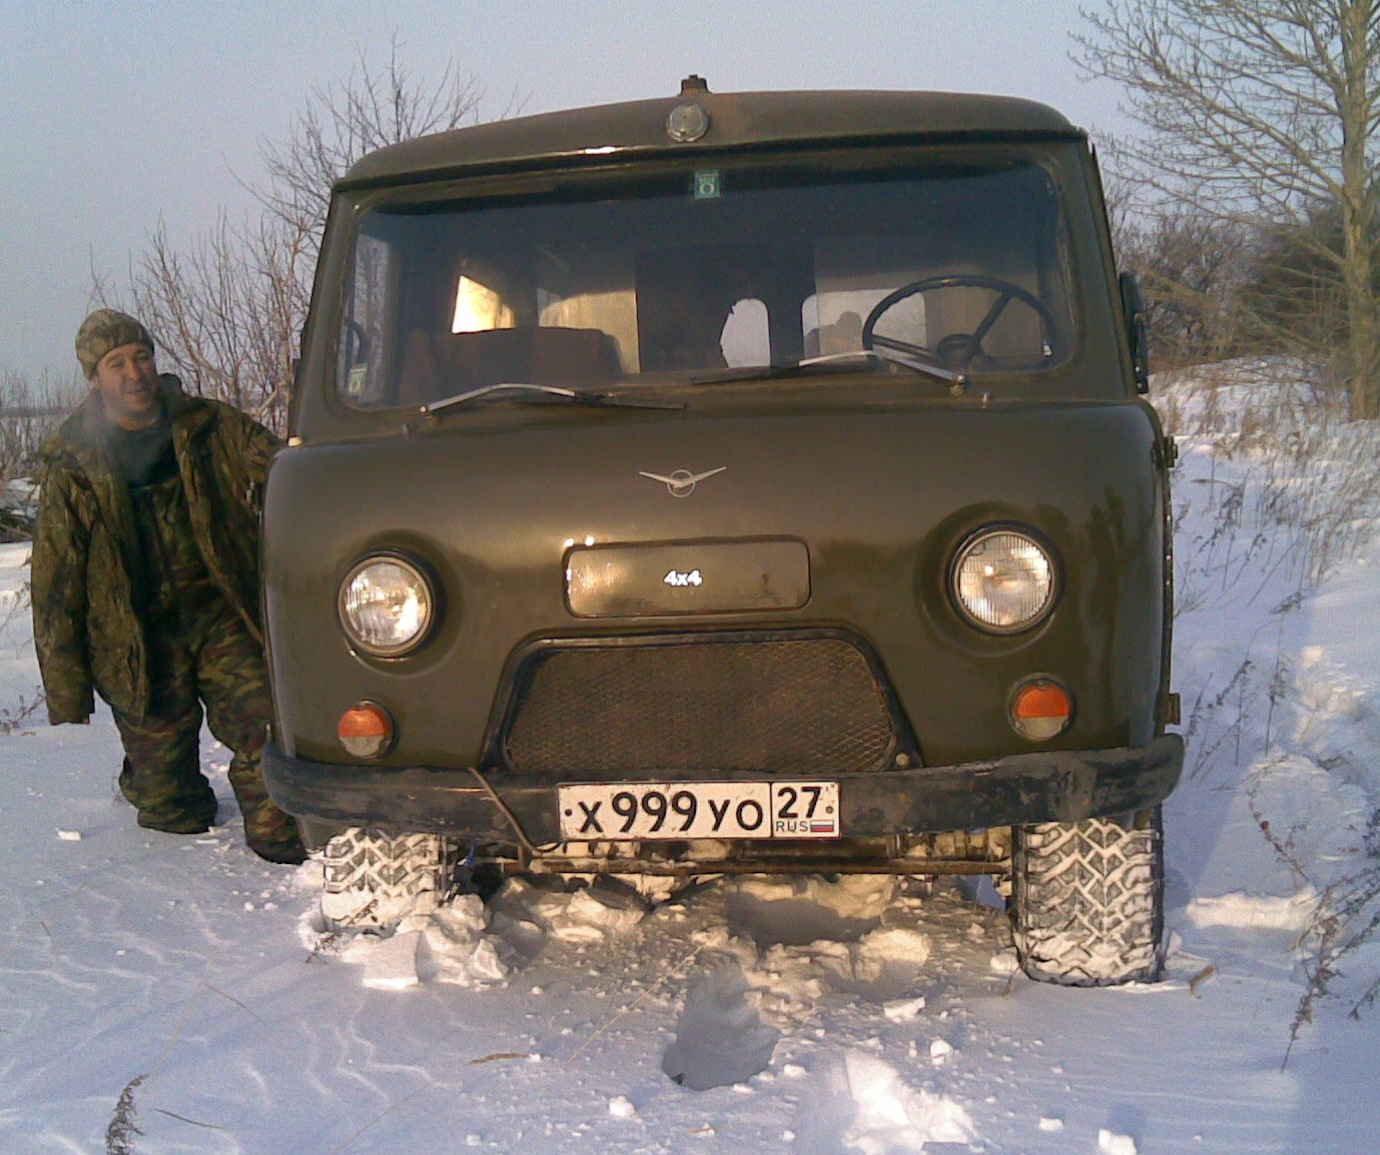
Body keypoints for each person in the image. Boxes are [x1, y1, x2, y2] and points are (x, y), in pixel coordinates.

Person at [31, 309, 305, 864]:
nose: (134, 373)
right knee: (171, 810)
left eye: (141, 357)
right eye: (117, 364)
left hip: (219, 615)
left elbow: (284, 471)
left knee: (266, 726)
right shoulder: (75, 462)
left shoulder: (207, 426)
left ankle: (278, 837)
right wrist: (67, 688)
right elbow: (56, 581)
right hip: (137, 638)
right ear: (95, 378)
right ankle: (150, 779)